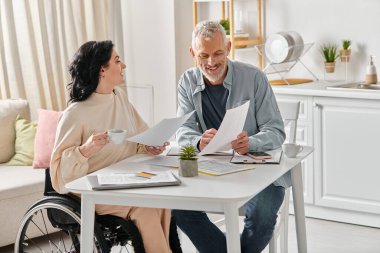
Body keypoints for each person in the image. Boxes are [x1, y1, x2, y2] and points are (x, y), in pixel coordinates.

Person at [172, 20, 288, 253]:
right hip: (212, 170)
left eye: (217, 53)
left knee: (262, 216)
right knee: (178, 208)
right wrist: (197, 140)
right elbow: (182, 130)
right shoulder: (186, 81)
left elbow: (276, 131)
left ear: (228, 47)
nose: (211, 62)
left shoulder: (254, 78)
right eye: (203, 55)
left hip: (261, 172)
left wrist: (252, 142)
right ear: (192, 52)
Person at [50, 40, 172, 253]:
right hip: (91, 188)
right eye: (117, 60)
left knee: (161, 199)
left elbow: (138, 137)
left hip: (121, 178)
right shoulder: (75, 113)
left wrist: (149, 146)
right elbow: (59, 174)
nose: (123, 65)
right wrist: (85, 150)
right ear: (102, 70)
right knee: (145, 208)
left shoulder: (119, 97)